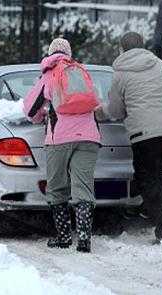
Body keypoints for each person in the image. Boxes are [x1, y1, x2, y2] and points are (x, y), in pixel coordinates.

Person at [97, 32, 162, 243]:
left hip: (145, 134)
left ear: (121, 49)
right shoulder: (161, 65)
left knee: (146, 179)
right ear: (143, 46)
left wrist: (99, 112)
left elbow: (116, 110)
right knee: (159, 173)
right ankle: (158, 212)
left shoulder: (120, 74)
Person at [23, 38, 101, 253]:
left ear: (50, 53)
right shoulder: (81, 70)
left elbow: (30, 110)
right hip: (89, 138)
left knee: (57, 187)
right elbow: (96, 100)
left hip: (60, 139)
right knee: (83, 186)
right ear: (68, 53)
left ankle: (64, 237)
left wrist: (41, 116)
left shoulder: (48, 75)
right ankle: (84, 238)